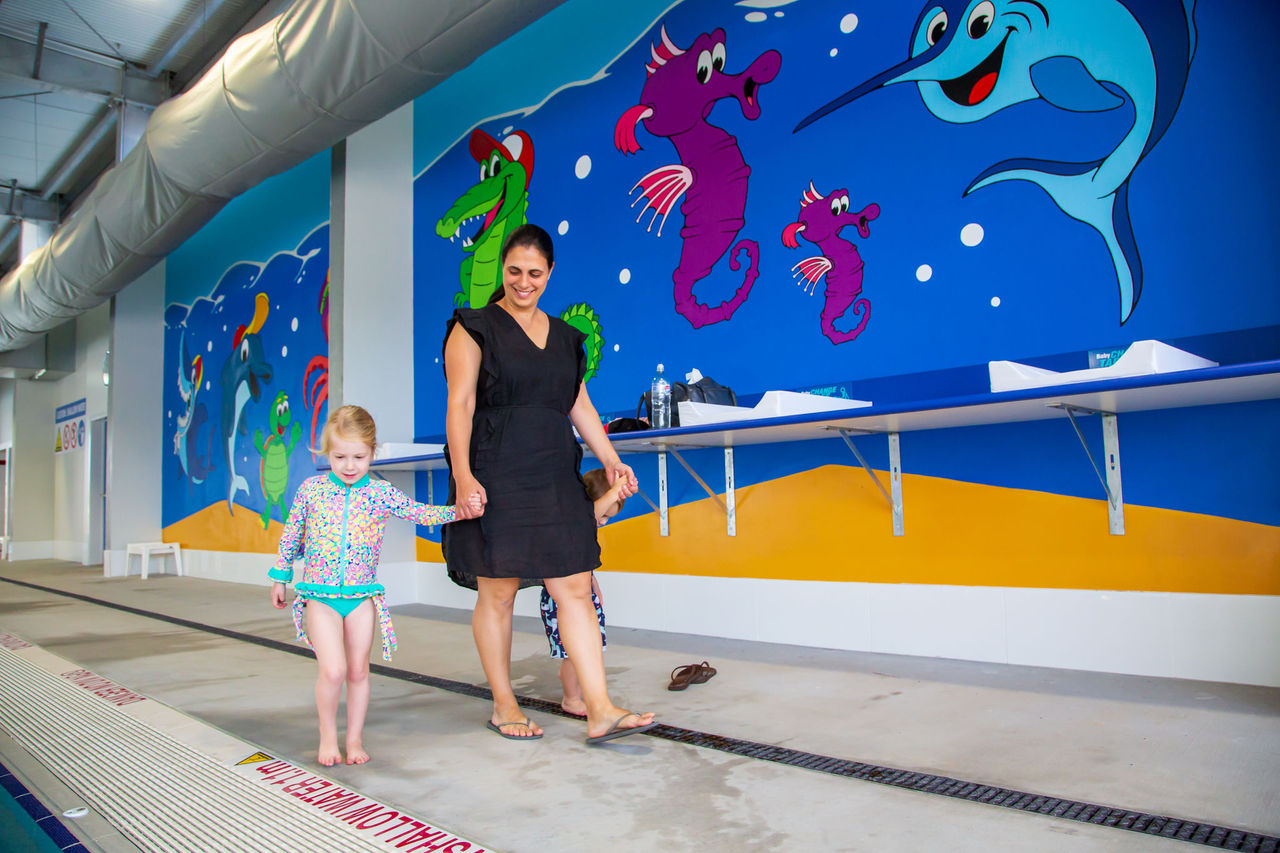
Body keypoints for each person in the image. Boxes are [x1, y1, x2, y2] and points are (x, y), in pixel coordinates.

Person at [443, 223, 657, 744]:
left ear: (550, 273)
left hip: (554, 470)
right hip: (494, 469)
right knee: (498, 590)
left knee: (576, 586)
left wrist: (610, 459)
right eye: (514, 271)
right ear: (503, 270)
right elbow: (461, 404)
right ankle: (503, 703)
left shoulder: (566, 339)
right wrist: (464, 475)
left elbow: (577, 403)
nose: (523, 282)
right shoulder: (472, 327)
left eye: (534, 273)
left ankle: (600, 707)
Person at [269, 405, 477, 766]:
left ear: (372, 451)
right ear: (326, 452)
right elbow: (291, 534)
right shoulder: (311, 491)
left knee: (359, 671)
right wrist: (282, 576)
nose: (349, 466)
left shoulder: (380, 493)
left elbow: (420, 512)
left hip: (362, 597)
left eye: (359, 457)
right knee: (332, 670)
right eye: (340, 457)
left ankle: (354, 740)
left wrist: (457, 511)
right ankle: (327, 738)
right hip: (319, 597)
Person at [540, 468, 627, 717]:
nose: (602, 521)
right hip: (562, 601)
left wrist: (595, 589)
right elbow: (590, 515)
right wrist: (613, 493)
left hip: (584, 595)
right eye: (604, 515)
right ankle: (571, 698)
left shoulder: (584, 528)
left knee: (590, 648)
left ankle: (586, 694)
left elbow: (587, 566)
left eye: (608, 518)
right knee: (573, 655)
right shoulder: (575, 522)